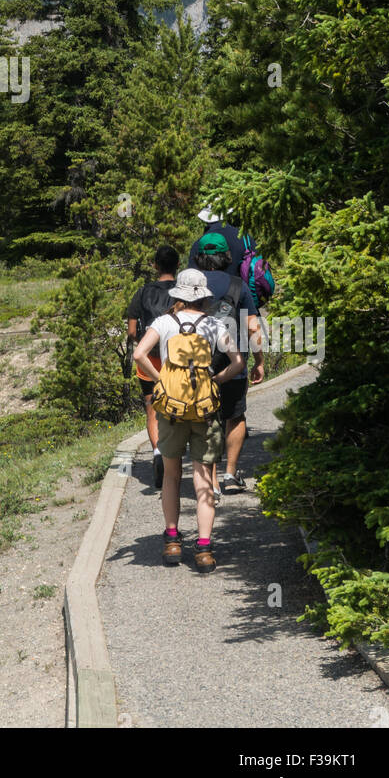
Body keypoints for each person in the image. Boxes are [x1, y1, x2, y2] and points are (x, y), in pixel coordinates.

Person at [133, 269, 244, 573]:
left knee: (171, 475)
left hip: (171, 409)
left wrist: (162, 381)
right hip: (204, 409)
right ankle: (205, 549)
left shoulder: (163, 323)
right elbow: (238, 362)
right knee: (203, 476)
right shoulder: (213, 324)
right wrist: (214, 381)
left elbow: (139, 353)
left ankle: (171, 540)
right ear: (204, 296)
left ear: (178, 295)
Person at [197, 232, 264, 496]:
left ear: (199, 258)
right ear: (226, 257)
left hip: (199, 369)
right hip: (233, 366)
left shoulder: (191, 288)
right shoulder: (238, 286)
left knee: (206, 420)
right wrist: (258, 360)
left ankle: (211, 480)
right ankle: (230, 474)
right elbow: (253, 327)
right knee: (234, 416)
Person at [127, 246, 179, 489]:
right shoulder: (183, 292)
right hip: (177, 357)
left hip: (149, 360)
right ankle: (176, 454)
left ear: (155, 265)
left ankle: (158, 453)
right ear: (177, 266)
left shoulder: (143, 292)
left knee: (152, 408)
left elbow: (131, 330)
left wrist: (142, 345)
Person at [189, 206, 254, 278]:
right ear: (227, 215)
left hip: (209, 287)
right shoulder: (245, 238)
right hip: (242, 287)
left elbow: (192, 276)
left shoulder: (199, 244)